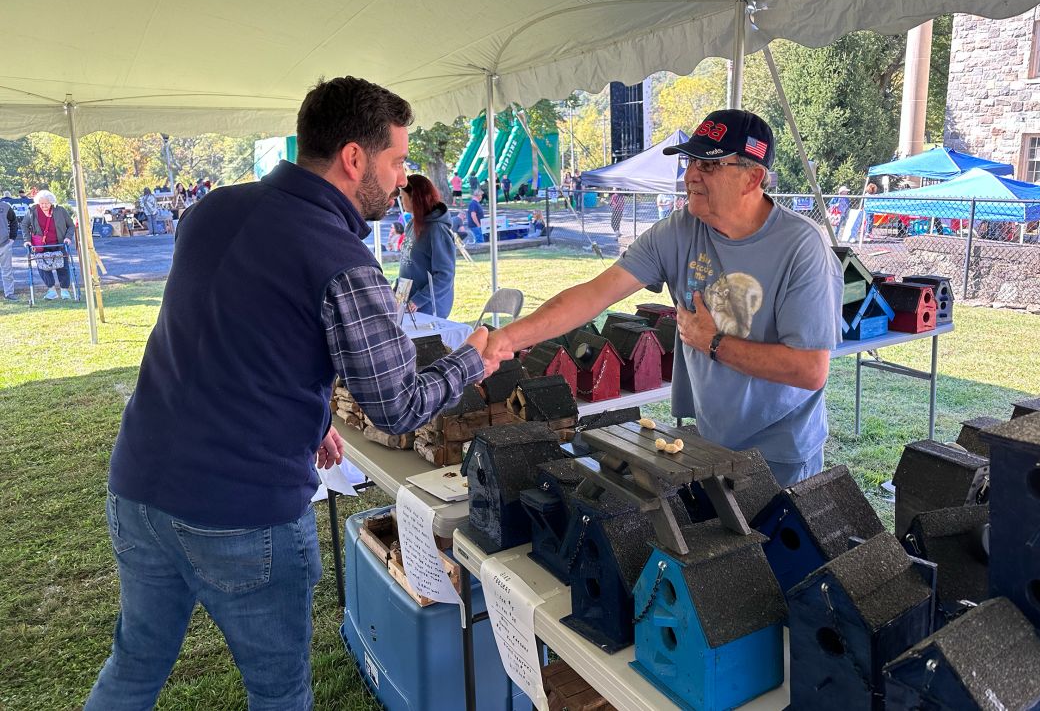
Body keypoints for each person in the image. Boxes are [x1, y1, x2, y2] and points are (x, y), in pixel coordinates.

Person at [84, 76, 510, 710]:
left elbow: (233, 334)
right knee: (278, 691)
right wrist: (473, 359)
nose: (402, 178)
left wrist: (311, 423)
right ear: (353, 157)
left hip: (139, 486)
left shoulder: (211, 211)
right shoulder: (341, 258)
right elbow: (397, 405)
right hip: (241, 509)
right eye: (396, 160)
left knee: (135, 664)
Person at [486, 110, 841, 487]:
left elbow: (810, 370)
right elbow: (593, 295)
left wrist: (713, 343)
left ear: (752, 177)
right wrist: (505, 340)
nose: (690, 176)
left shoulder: (802, 246)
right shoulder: (678, 231)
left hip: (779, 453)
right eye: (690, 162)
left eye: (709, 165)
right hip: (708, 441)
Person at [398, 174, 457, 318]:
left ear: (414, 198)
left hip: (428, 308)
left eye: (402, 196)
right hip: (409, 303)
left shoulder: (437, 230)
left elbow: (445, 275)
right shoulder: (413, 224)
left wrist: (419, 300)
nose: (400, 200)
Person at [20, 190, 76, 300]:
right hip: (41, 245)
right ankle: (52, 291)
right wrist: (27, 240)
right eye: (41, 203)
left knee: (63, 267)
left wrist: (68, 237)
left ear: (51, 202)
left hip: (59, 243)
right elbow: (24, 225)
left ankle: (64, 291)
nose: (44, 205)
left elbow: (71, 226)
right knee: (43, 267)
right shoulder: (33, 211)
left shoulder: (60, 210)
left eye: (46, 203)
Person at [1, 198, 17, 300]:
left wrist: (12, 237)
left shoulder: (5, 206)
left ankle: (9, 293)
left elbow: (14, 221)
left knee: (7, 271)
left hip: (4, 244)